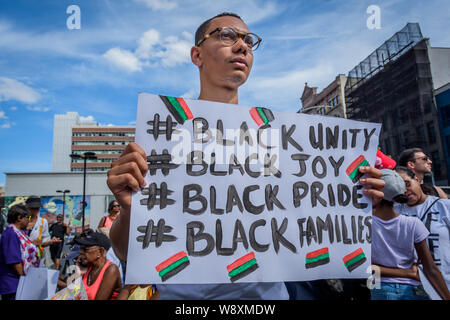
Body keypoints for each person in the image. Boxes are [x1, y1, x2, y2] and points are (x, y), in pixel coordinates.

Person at [107, 12, 386, 300]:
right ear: (197, 54)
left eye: (249, 40)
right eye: (227, 35)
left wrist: (356, 198)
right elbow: (124, 251)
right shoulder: (163, 140)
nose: (242, 46)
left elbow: (311, 223)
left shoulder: (281, 141)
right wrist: (128, 209)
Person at [371, 169, 450, 300]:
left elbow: (365, 269)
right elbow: (430, 269)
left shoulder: (364, 225)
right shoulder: (413, 223)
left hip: (378, 286)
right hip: (413, 288)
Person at [394, 166, 450, 288]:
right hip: (407, 289)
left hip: (444, 285)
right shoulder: (392, 212)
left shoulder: (444, 206)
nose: (404, 191)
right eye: (398, 188)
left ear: (417, 179)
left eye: (407, 184)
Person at [0, 204, 40, 300]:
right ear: (19, 218)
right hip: (14, 284)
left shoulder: (21, 233)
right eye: (28, 217)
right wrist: (26, 281)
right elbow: (14, 262)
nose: (29, 220)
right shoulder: (10, 234)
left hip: (20, 282)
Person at [74, 231, 122, 300]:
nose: (81, 252)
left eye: (85, 250)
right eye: (81, 249)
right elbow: (73, 294)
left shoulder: (111, 269)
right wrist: (78, 274)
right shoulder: (89, 268)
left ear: (100, 251)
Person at [25, 196, 61, 264]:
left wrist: (51, 242)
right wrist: (32, 243)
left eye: (37, 208)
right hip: (22, 256)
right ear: (28, 208)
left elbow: (44, 241)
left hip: (36, 257)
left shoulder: (42, 222)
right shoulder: (22, 221)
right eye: (33, 208)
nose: (36, 210)